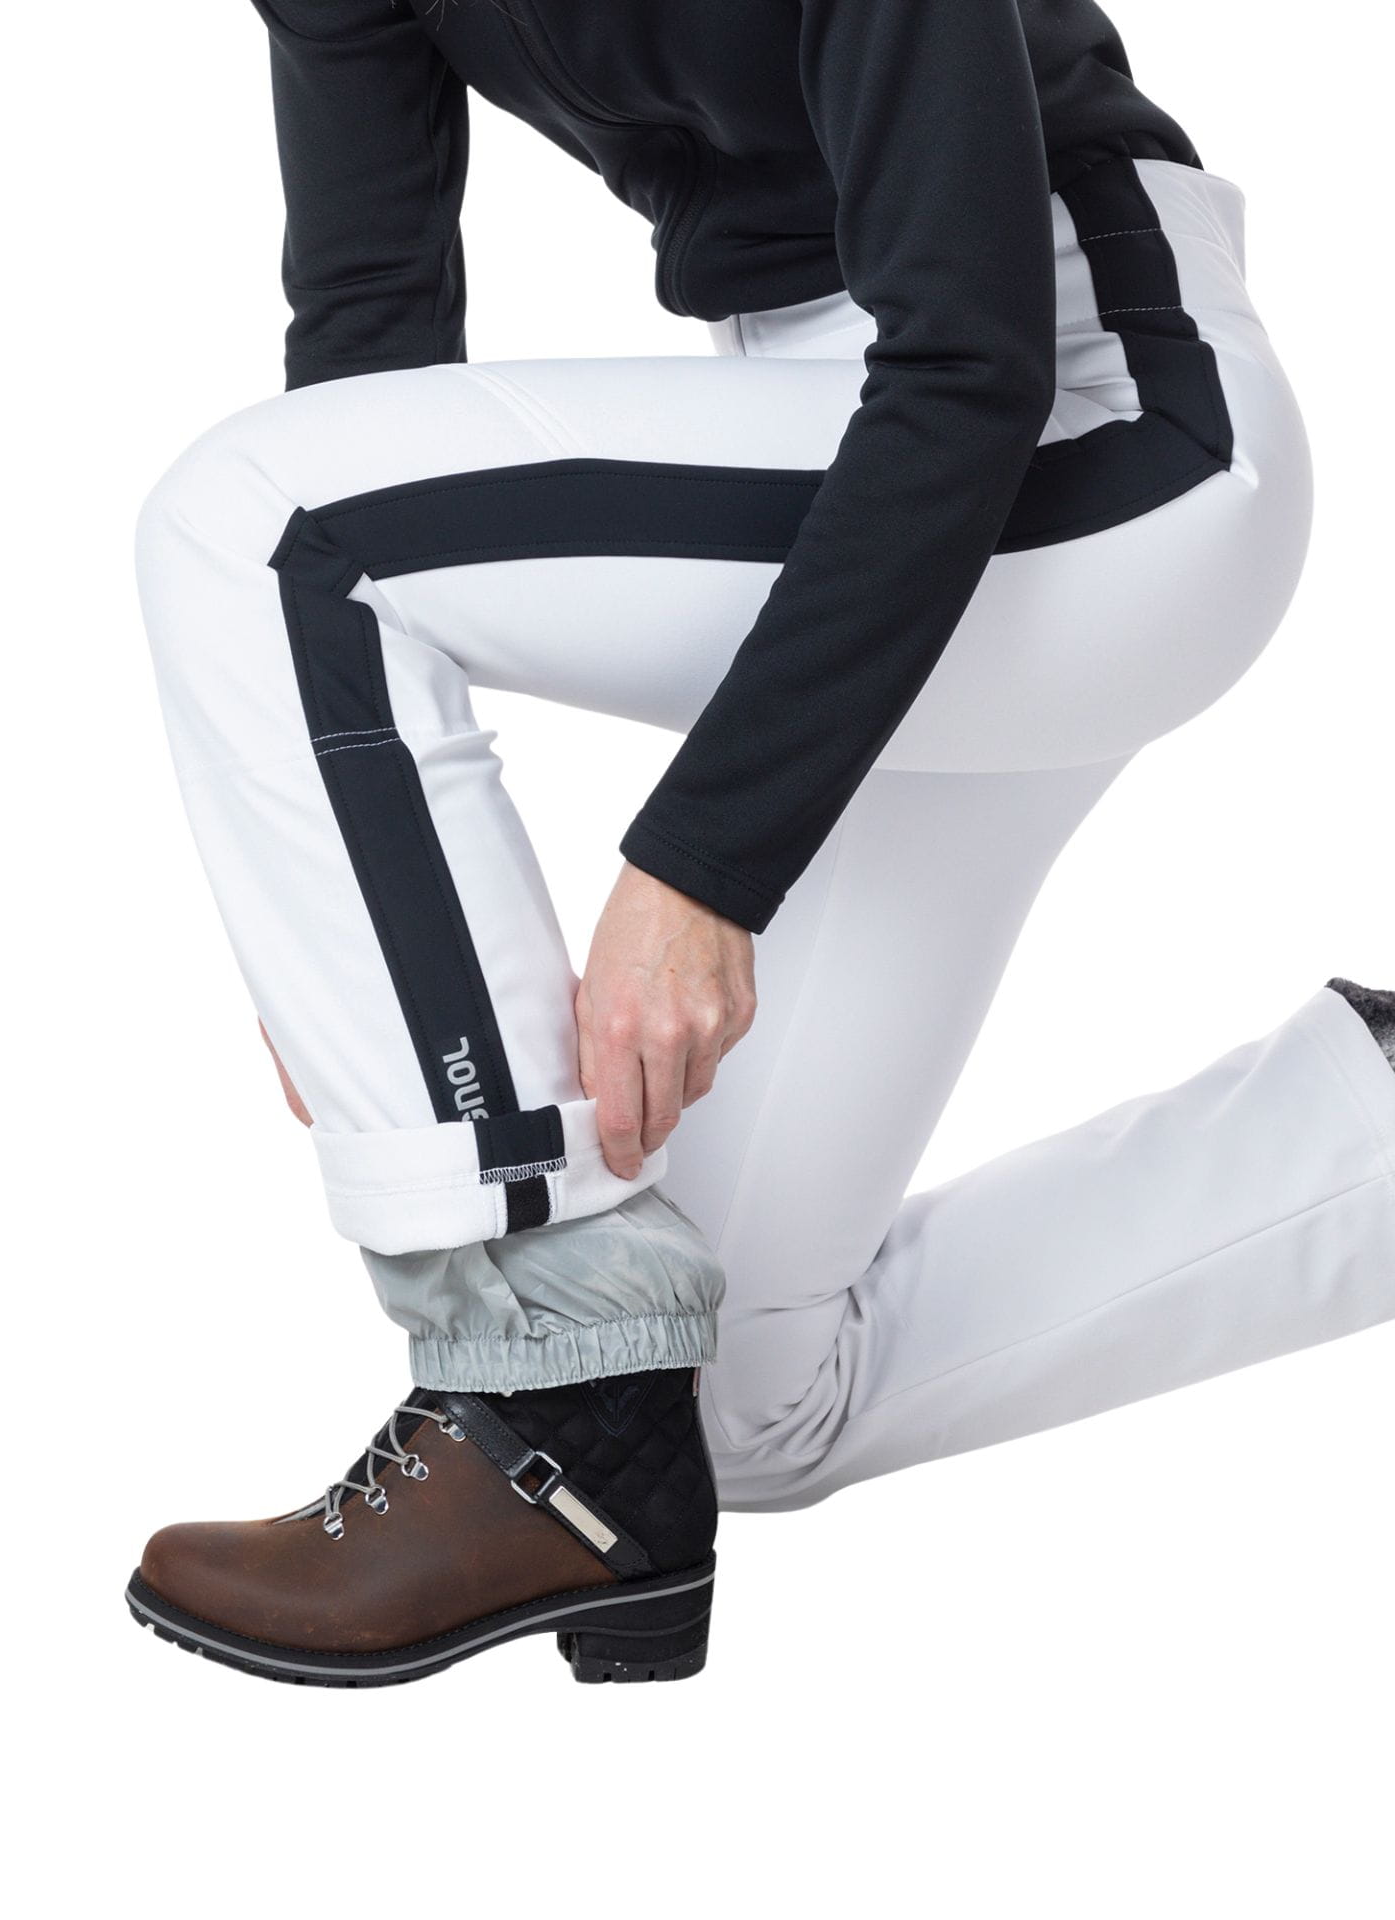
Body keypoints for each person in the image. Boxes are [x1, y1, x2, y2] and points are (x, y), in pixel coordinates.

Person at [124, 0, 1394, 1688]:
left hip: (1095, 430)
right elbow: (375, 343)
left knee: (253, 523)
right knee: (726, 1394)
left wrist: (703, 869)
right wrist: (352, 924)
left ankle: (533, 1389)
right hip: (848, 468)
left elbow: (970, 362)